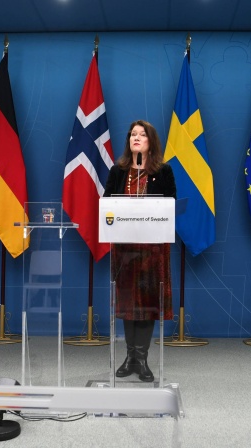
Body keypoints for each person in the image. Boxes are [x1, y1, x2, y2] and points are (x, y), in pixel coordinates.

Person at [104, 120, 176, 382]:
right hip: (124, 248)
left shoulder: (163, 171)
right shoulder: (118, 170)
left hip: (152, 249)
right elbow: (106, 204)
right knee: (127, 302)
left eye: (141, 135)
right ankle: (129, 356)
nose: (136, 138)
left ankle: (142, 358)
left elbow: (171, 205)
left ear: (150, 141)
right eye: (132, 134)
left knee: (146, 304)